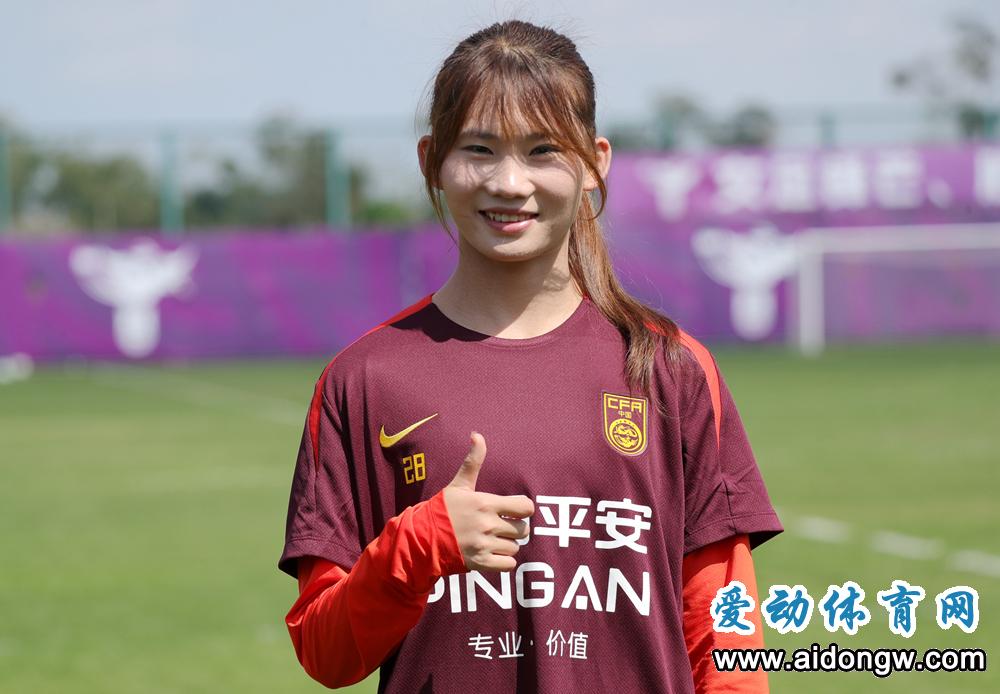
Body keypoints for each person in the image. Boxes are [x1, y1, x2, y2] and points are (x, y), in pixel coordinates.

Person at [279, 19, 782, 693]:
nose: (510, 183)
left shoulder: (671, 367)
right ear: (432, 160)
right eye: (479, 150)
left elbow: (724, 640)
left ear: (595, 161)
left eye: (543, 150)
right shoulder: (364, 378)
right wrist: (419, 545)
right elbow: (325, 652)